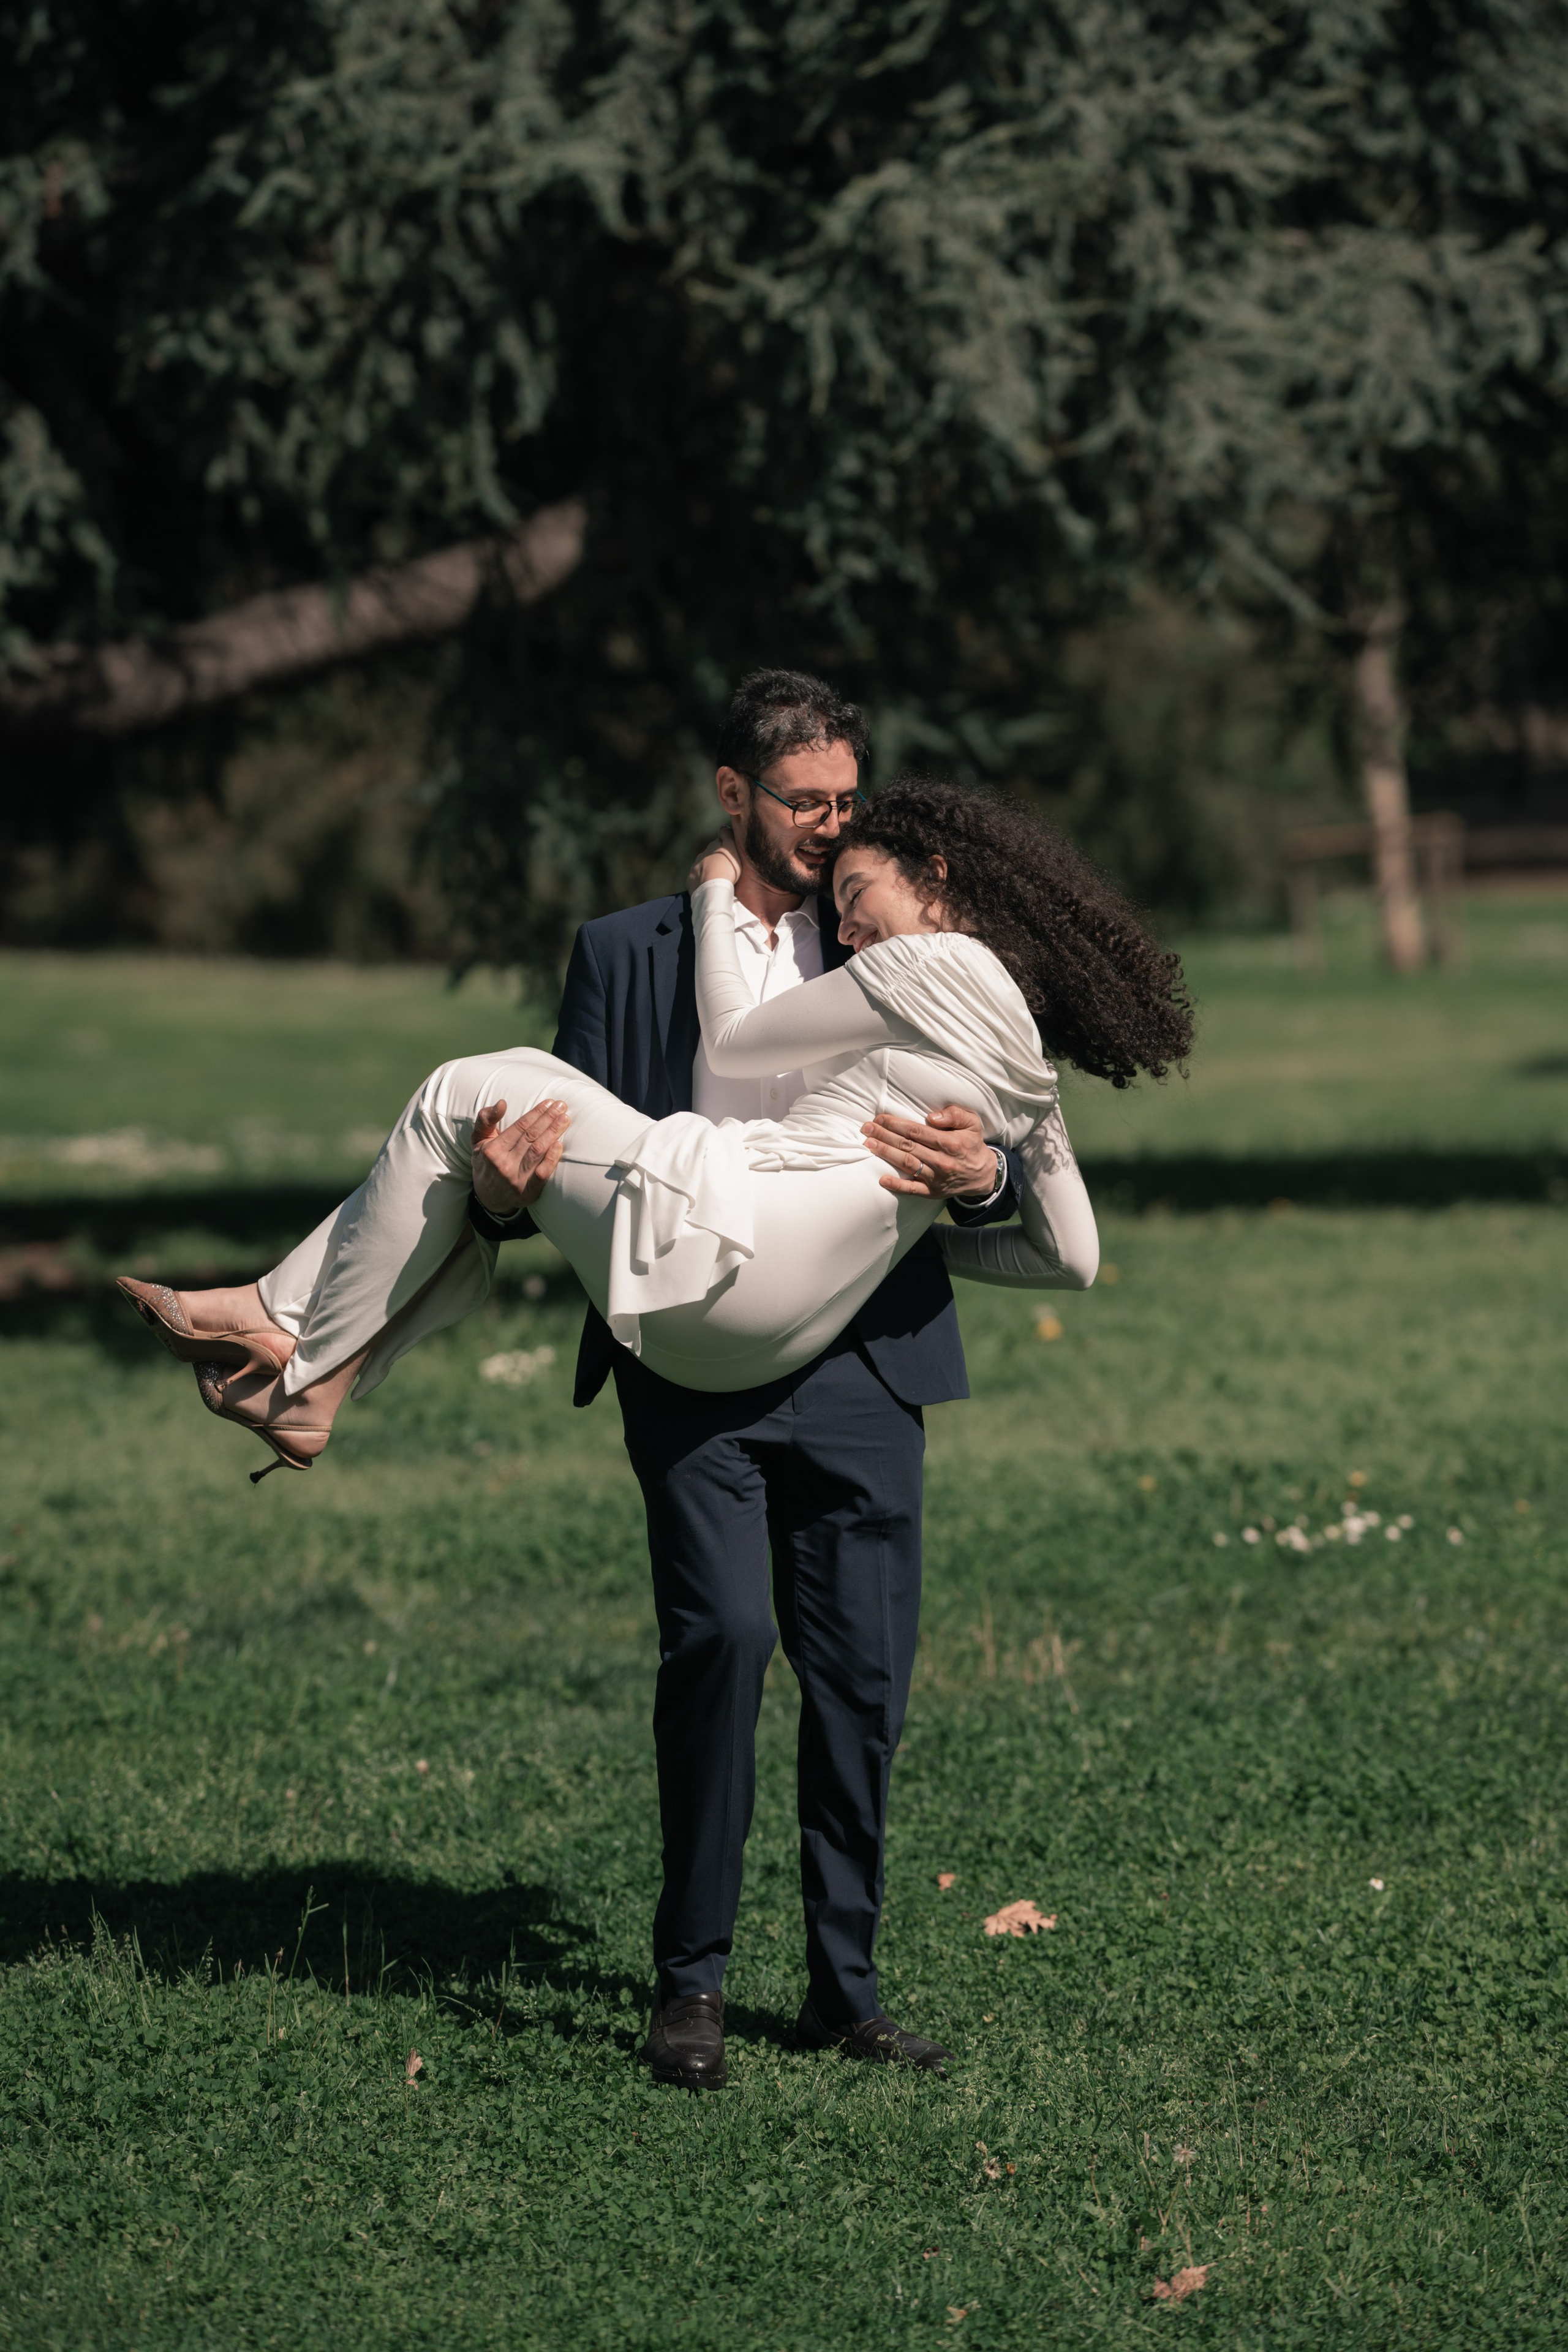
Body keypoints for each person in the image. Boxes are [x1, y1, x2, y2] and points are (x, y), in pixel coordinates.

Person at [119, 673, 1191, 2087]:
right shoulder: (625, 953)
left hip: (866, 1362)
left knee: (860, 1684)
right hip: (690, 1352)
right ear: (730, 792)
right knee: (719, 1650)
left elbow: (1034, 1220)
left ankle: (844, 1989)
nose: (830, 831)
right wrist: (499, 1194)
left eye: (848, 805)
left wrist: (975, 1182)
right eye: (803, 802)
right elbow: (542, 1185)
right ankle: (690, 1986)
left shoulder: (906, 950)